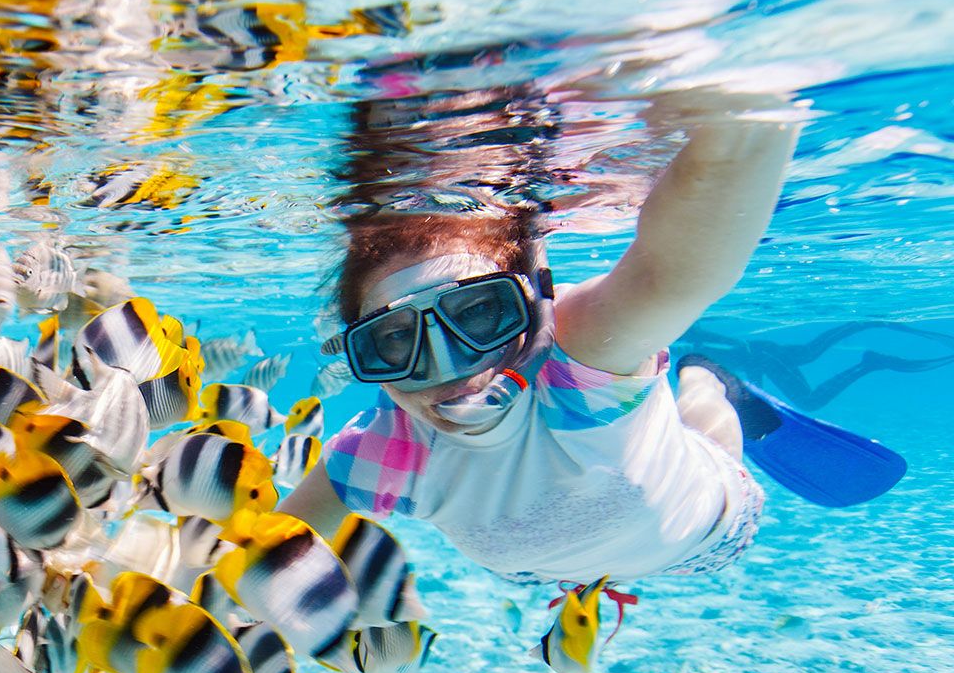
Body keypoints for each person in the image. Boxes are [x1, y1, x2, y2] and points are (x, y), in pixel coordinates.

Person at [283, 79, 902, 584]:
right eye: (394, 342)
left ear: (536, 305)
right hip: (548, 577)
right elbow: (256, 559)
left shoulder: (575, 362)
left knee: (707, 430)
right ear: (358, 354)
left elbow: (676, 274)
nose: (453, 371)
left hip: (707, 536)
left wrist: (740, 117)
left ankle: (710, 385)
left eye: (478, 316)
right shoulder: (382, 453)